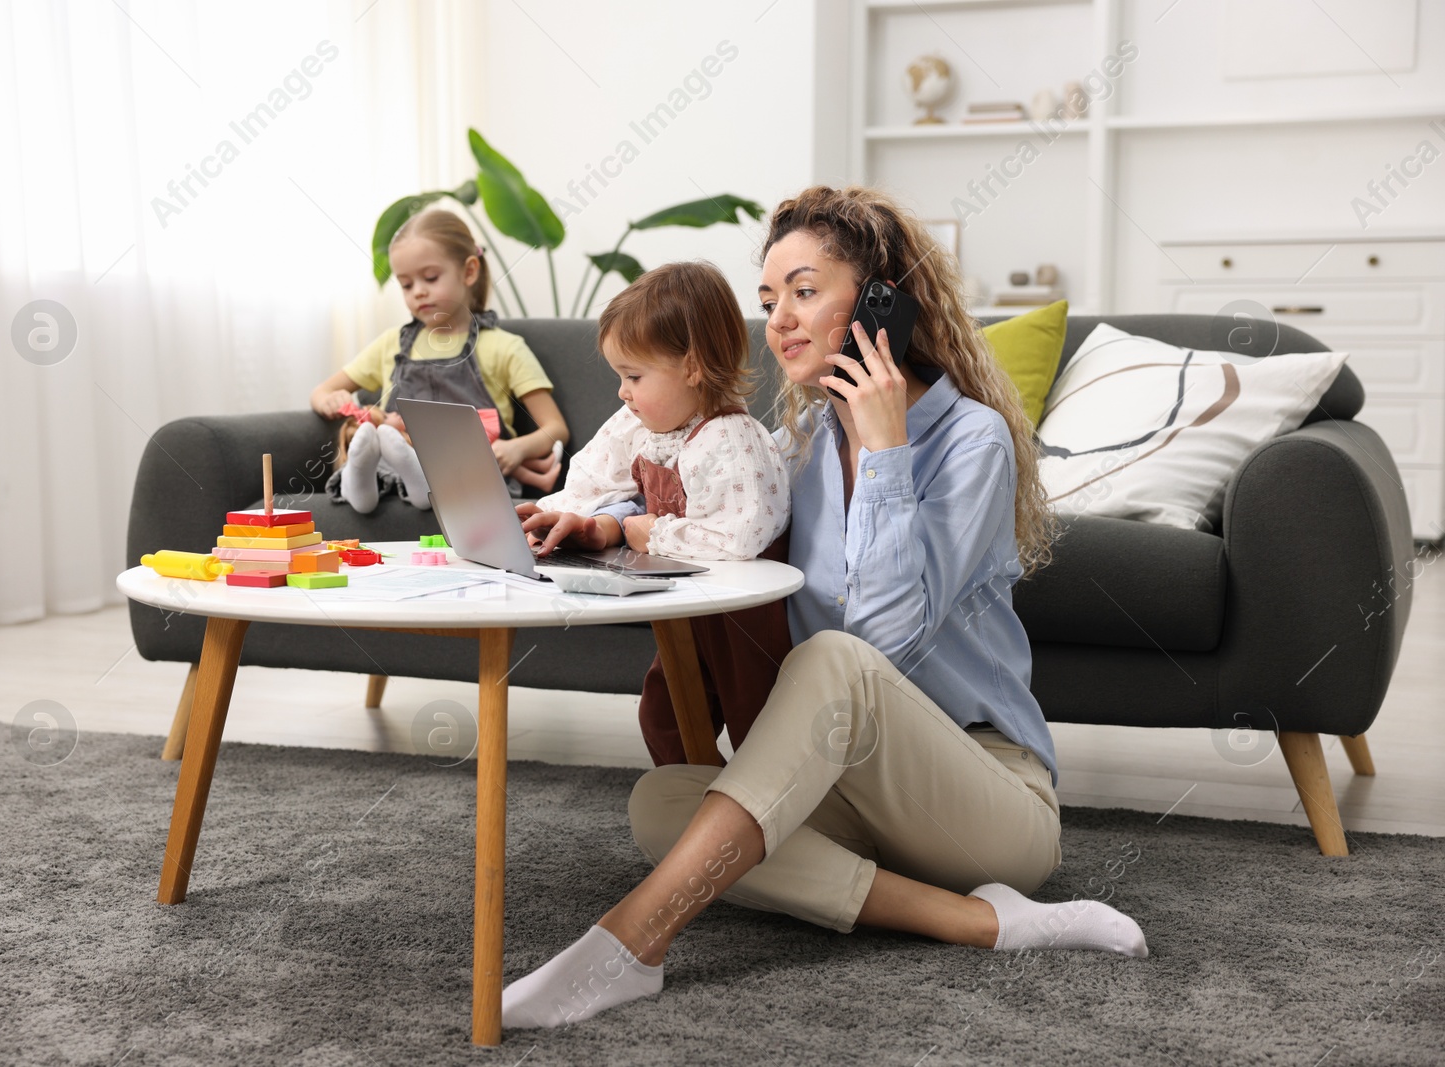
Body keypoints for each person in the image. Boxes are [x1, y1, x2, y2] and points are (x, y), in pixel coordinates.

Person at [500, 186, 1148, 1030]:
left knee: (836, 658)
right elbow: (718, 518)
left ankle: (628, 945)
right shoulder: (802, 441)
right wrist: (601, 520)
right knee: (660, 804)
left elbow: (882, 646)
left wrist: (886, 452)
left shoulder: (972, 442)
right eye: (769, 300)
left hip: (985, 798)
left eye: (804, 291)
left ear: (884, 301)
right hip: (846, 790)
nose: (778, 321)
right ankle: (982, 921)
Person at [514, 260, 788, 562]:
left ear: (693, 368)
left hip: (732, 601)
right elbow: (592, 481)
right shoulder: (640, 424)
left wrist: (658, 533)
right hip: (676, 589)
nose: (622, 392)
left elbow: (741, 539)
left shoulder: (731, 441)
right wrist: (555, 517)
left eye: (633, 377)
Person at [310, 209, 569, 513]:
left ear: (469, 271)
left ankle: (418, 485)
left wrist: (517, 448)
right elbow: (322, 392)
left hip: (468, 471)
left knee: (415, 453)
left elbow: (556, 428)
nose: (418, 291)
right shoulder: (391, 343)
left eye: (430, 278)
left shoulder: (504, 347)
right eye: (406, 285)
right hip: (394, 460)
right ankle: (362, 486)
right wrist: (330, 399)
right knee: (379, 441)